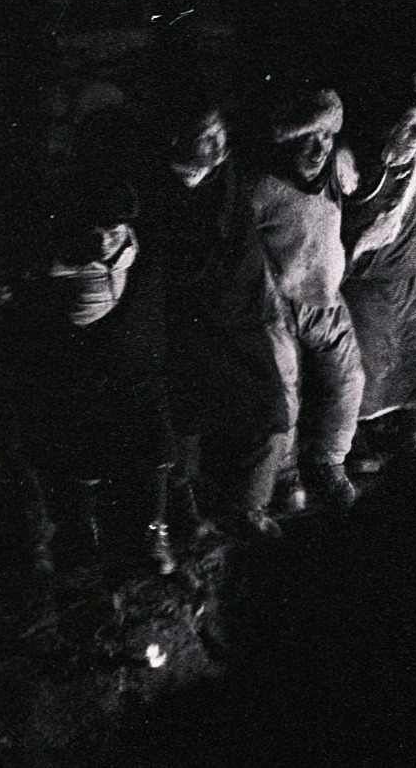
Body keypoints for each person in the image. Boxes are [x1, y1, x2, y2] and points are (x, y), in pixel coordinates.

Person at [134, 97, 290, 540]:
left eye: (222, 135)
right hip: (187, 326)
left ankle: (249, 506)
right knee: (186, 422)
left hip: (239, 318)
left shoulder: (226, 178)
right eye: (208, 137)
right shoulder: (157, 191)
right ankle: (184, 515)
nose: (220, 146)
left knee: (267, 410)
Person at [14, 175, 177, 575]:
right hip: (82, 366)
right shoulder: (62, 262)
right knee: (83, 452)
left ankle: (154, 532)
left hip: (137, 367)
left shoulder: (138, 252)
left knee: (155, 448)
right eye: (97, 232)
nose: (106, 241)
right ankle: (84, 535)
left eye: (114, 232)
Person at [249, 88, 364, 512]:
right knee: (285, 390)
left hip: (324, 298)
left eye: (326, 139)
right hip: (276, 305)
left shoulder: (335, 170)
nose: (318, 149)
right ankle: (286, 473)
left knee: (349, 378)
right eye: (308, 139)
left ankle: (329, 462)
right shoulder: (263, 188)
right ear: (286, 142)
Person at [341, 85, 416, 465]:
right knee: (368, 368)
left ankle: (411, 433)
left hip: (407, 283)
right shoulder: (357, 172)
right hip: (363, 286)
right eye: (408, 127)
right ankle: (359, 442)